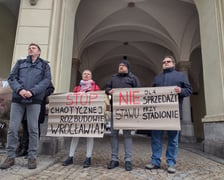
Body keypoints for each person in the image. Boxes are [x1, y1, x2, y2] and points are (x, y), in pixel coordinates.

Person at [0, 43, 51, 169]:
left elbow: (46, 81)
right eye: (29, 48)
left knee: (33, 129)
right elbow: (12, 78)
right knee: (12, 129)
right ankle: (10, 157)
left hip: (34, 100)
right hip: (18, 99)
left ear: (39, 52)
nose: (30, 49)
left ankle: (32, 157)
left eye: (33, 48)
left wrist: (32, 91)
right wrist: (20, 90)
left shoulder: (44, 65)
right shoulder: (20, 63)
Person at [145, 55, 192, 173]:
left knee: (173, 139)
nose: (165, 63)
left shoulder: (180, 76)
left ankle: (171, 163)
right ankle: (155, 161)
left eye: (168, 61)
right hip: (158, 114)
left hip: (173, 114)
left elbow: (189, 90)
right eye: (163, 62)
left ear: (173, 64)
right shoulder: (157, 78)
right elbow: (151, 95)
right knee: (156, 138)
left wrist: (181, 90)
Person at [105, 57, 140, 171]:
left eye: (123, 65)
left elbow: (138, 92)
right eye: (119, 65)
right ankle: (114, 159)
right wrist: (109, 90)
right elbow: (107, 87)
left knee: (127, 135)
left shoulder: (133, 78)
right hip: (115, 110)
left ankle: (128, 160)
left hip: (127, 111)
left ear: (128, 68)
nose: (121, 67)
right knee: (114, 135)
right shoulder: (113, 78)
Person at [62, 69, 100, 168]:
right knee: (75, 135)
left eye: (88, 74)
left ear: (91, 77)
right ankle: (70, 157)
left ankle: (88, 158)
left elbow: (98, 99)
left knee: (90, 136)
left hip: (90, 115)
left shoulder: (95, 87)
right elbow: (72, 99)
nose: (86, 75)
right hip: (78, 115)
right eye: (84, 74)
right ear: (82, 76)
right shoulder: (77, 88)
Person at [16, 82, 55, 157]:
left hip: (38, 104)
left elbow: (50, 89)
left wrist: (39, 94)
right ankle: (24, 148)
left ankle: (32, 150)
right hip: (25, 103)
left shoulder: (44, 76)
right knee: (25, 126)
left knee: (34, 128)